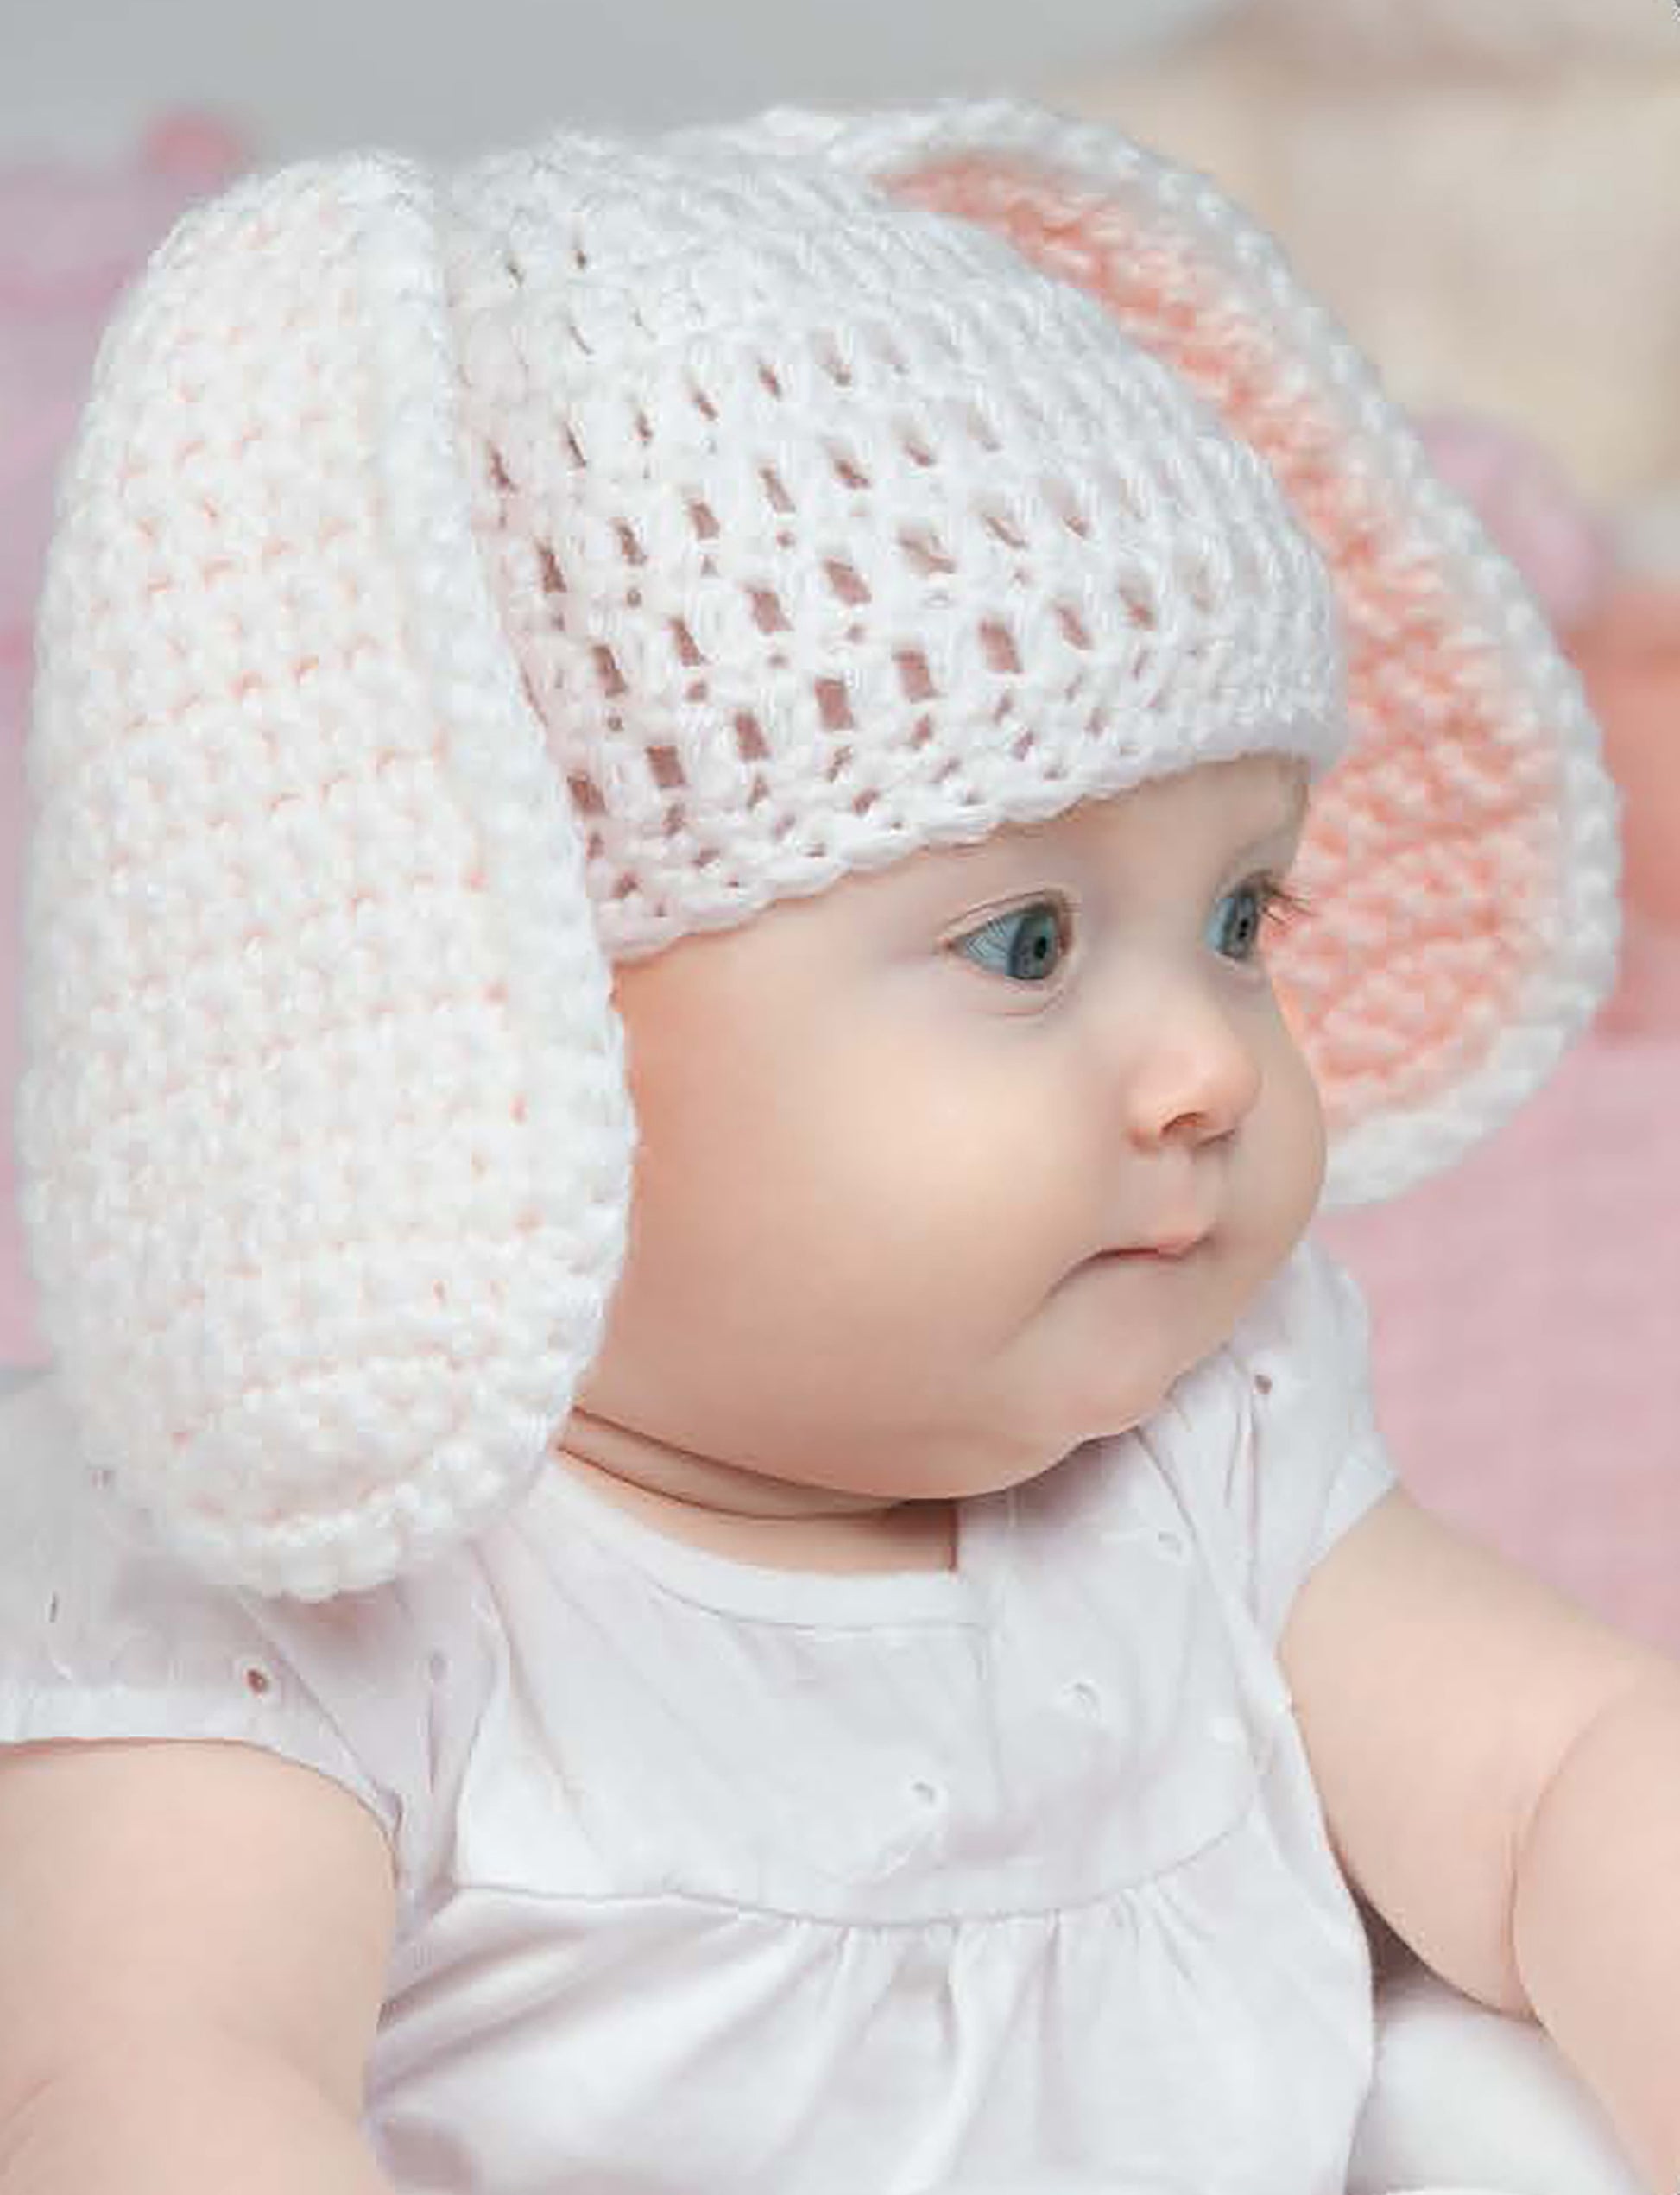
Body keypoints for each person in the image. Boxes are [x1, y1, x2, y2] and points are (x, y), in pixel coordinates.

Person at [0, 97, 1671, 2195]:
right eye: (1028, 941)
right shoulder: (313, 1597)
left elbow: (1573, 1775)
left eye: (1245, 919)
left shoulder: (1208, 1451)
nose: (1211, 1068)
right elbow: (158, 2102)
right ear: (501, 1019)